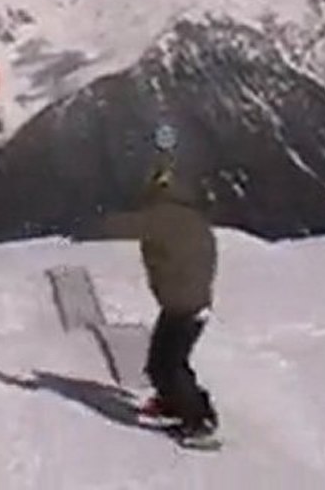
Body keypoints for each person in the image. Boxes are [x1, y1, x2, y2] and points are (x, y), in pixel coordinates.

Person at [136, 158, 219, 440]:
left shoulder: (167, 220)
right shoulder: (186, 217)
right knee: (163, 362)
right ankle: (175, 401)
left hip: (185, 305)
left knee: (168, 365)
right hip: (185, 302)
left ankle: (199, 421)